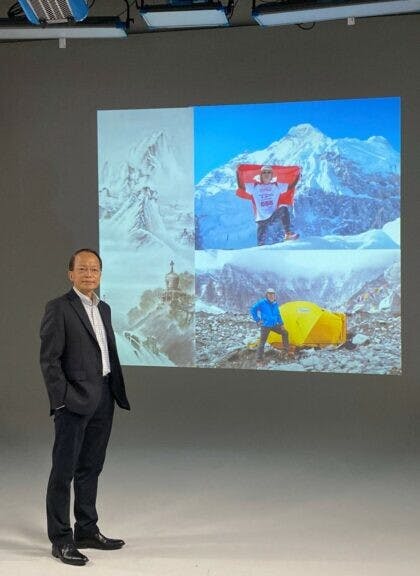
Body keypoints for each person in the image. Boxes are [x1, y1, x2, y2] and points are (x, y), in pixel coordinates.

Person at [40, 248, 131, 566]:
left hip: (104, 398)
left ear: (101, 274)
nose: (89, 274)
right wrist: (61, 400)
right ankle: (61, 540)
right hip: (74, 402)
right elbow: (49, 360)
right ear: (71, 274)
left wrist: (112, 392)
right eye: (83, 269)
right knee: (63, 472)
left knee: (91, 468)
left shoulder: (103, 308)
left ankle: (87, 531)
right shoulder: (58, 308)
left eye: (95, 269)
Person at [239, 165, 299, 246]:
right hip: (261, 219)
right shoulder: (254, 186)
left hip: (272, 216)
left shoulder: (277, 186)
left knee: (283, 208)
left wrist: (298, 174)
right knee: (260, 244)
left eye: (269, 172)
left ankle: (287, 234)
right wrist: (237, 172)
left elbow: (291, 186)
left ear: (272, 176)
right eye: (264, 172)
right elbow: (241, 186)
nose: (266, 174)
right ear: (261, 175)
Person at [250, 288, 293, 364]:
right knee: (262, 342)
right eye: (269, 294)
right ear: (266, 295)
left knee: (285, 332)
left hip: (274, 325)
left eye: (272, 294)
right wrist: (257, 319)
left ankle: (286, 351)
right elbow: (253, 309)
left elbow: (278, 315)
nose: (271, 296)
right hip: (265, 325)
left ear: (274, 295)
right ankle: (259, 360)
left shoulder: (275, 303)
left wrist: (281, 324)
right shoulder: (262, 303)